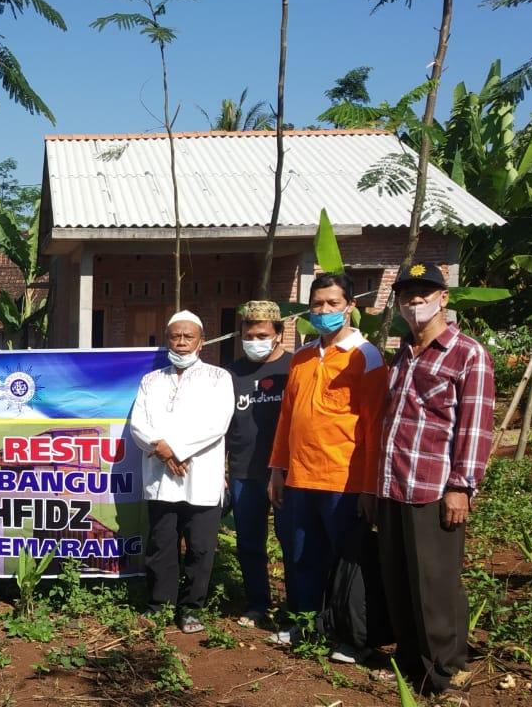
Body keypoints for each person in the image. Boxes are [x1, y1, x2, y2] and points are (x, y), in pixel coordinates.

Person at [377, 262, 494, 699]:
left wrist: (461, 485)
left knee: (435, 583)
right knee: (400, 578)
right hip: (392, 483)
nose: (415, 302)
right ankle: (412, 663)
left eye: (425, 293)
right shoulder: (403, 352)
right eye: (407, 295)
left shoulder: (468, 354)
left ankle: (446, 670)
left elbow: (475, 427)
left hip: (433, 487)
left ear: (444, 298)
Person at [268, 273, 387, 658]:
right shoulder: (302, 358)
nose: (324, 311)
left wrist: (369, 487)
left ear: (349, 306)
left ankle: (350, 635)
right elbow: (287, 419)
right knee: (302, 555)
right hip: (300, 476)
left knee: (347, 561)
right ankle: (304, 623)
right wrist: (277, 469)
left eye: (333, 304)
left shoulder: (365, 356)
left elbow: (373, 428)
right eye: (317, 304)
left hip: (344, 480)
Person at [130, 310, 235, 633]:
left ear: (201, 342)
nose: (181, 342)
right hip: (161, 478)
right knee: (162, 546)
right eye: (175, 336)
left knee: (200, 548)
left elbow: (217, 423)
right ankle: (159, 604)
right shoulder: (151, 380)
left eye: (188, 336)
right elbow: (138, 423)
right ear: (167, 340)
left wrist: (177, 449)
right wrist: (162, 449)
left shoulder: (219, 378)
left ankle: (191, 608)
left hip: (200, 477)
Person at [225, 300, 294, 630]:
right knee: (249, 542)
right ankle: (258, 603)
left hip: (288, 472)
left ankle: (297, 607)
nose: (255, 340)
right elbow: (222, 424)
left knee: (292, 540)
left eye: (262, 334)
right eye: (249, 335)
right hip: (243, 471)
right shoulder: (232, 374)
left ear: (279, 333)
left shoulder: (295, 369)